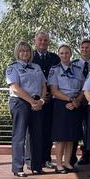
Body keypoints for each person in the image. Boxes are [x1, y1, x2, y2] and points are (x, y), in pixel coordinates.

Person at [6, 41, 47, 177]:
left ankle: (36, 166)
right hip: (20, 102)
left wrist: (41, 100)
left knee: (36, 135)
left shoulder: (36, 67)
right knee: (19, 135)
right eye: (22, 50)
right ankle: (18, 168)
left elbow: (43, 86)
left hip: (36, 102)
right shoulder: (13, 67)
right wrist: (31, 101)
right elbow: (15, 88)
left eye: (27, 51)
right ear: (17, 52)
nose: (25, 53)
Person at [47, 44, 85, 174]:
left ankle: (67, 162)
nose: (64, 55)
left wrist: (77, 101)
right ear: (59, 55)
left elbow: (84, 88)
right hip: (61, 104)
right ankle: (58, 164)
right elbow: (54, 91)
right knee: (61, 137)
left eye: (67, 53)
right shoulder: (55, 70)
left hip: (75, 104)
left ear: (71, 54)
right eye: (62, 53)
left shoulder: (78, 69)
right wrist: (70, 100)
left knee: (71, 137)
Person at [32, 32, 60, 168]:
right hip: (33, 100)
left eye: (45, 40)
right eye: (40, 40)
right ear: (35, 41)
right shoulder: (29, 57)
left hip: (50, 100)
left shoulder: (55, 58)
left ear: (49, 42)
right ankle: (34, 159)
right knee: (34, 131)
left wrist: (50, 93)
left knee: (47, 131)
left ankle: (46, 158)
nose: (43, 42)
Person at [70, 39, 90, 166]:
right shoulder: (73, 64)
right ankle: (72, 157)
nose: (85, 49)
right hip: (76, 101)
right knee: (75, 128)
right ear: (80, 48)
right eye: (83, 47)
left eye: (87, 47)